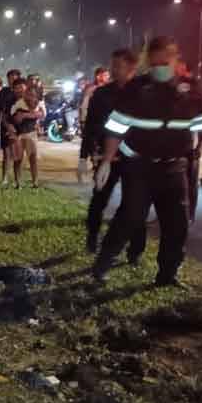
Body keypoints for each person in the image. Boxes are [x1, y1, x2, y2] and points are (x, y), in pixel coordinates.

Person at [92, 36, 202, 287]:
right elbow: (117, 126)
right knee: (130, 218)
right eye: (156, 62)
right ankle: (103, 264)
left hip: (175, 167)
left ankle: (167, 275)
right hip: (140, 166)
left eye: (166, 60)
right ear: (148, 61)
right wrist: (107, 160)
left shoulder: (190, 91)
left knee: (177, 224)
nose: (161, 66)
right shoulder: (135, 89)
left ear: (175, 59)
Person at [79, 48, 146, 260]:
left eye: (118, 66)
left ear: (132, 67)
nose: (113, 70)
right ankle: (92, 235)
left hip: (134, 157)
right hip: (106, 157)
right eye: (112, 66)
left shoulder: (143, 92)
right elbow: (91, 126)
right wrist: (84, 155)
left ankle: (135, 250)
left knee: (136, 204)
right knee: (99, 198)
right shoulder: (101, 94)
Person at [4, 78, 44, 188]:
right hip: (17, 133)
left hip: (31, 133)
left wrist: (26, 115)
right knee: (18, 159)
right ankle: (18, 183)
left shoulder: (38, 102)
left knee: (33, 158)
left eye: (21, 87)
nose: (19, 90)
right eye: (16, 88)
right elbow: (11, 118)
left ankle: (35, 182)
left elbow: (41, 114)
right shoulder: (13, 102)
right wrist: (11, 127)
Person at [0, 69, 23, 184]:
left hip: (20, 126)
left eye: (14, 77)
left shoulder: (23, 93)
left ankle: (18, 179)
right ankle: (5, 177)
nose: (12, 79)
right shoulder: (4, 92)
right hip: (6, 125)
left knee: (18, 153)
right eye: (10, 77)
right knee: (6, 152)